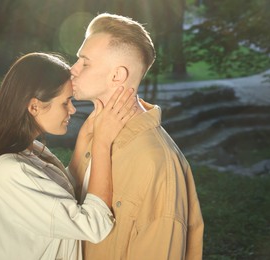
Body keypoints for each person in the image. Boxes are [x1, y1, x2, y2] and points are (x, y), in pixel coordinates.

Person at [0, 52, 137, 260]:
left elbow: (57, 196)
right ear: (34, 106)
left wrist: (84, 137)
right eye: (66, 102)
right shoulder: (9, 170)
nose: (72, 109)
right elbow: (94, 224)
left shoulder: (30, 151)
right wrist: (102, 143)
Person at [69, 13, 204, 259]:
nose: (73, 69)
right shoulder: (94, 133)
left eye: (84, 63)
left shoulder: (157, 161)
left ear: (117, 76)